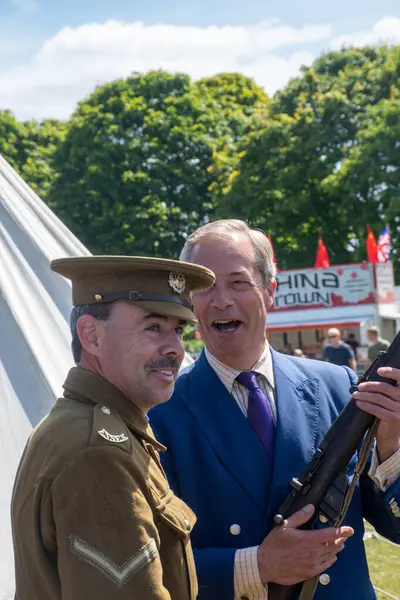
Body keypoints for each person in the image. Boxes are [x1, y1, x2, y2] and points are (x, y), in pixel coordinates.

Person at [150, 220, 400, 600]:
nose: (221, 300)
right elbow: (149, 567)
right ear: (189, 302)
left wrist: (391, 446)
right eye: (205, 287)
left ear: (270, 292)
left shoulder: (339, 387)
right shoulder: (159, 414)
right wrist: (258, 565)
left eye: (238, 282)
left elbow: (395, 527)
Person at [11, 255, 215, 600]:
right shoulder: (98, 452)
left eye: (178, 330)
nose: (176, 348)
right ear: (91, 335)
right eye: (153, 327)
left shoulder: (83, 425)